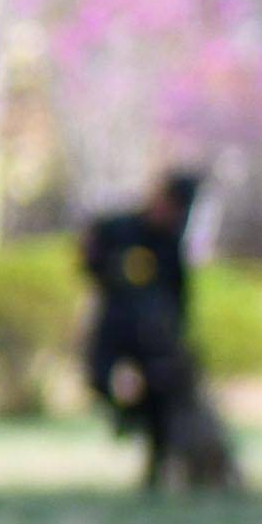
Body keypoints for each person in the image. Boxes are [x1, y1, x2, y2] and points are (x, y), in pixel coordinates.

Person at [77, 167, 237, 494]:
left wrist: (178, 335)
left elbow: (180, 295)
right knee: (98, 378)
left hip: (154, 335)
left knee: (161, 401)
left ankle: (156, 470)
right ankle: (125, 419)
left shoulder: (169, 244)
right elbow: (88, 253)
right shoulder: (118, 227)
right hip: (114, 326)